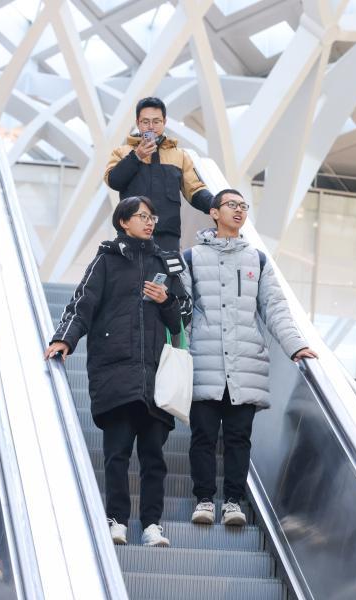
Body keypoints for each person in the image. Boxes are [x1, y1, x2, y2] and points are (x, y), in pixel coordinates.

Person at [44, 196, 191, 548]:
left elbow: (183, 315)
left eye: (152, 216)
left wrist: (165, 301)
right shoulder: (107, 260)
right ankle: (116, 519)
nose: (150, 222)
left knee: (154, 458)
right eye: (143, 216)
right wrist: (64, 339)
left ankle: (153, 524)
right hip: (114, 370)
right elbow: (82, 303)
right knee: (117, 454)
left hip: (156, 374)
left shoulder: (166, 263)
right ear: (123, 221)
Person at [183, 188, 317, 527]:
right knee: (203, 435)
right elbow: (180, 311)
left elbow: (275, 308)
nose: (239, 211)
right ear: (214, 213)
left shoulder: (257, 260)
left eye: (244, 206)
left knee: (239, 437)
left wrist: (295, 346)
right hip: (204, 358)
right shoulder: (191, 257)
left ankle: (233, 501)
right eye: (232, 205)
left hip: (246, 363)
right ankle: (203, 499)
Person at [105, 97, 214, 252]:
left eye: (156, 121)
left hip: (168, 235)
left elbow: (195, 190)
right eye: (145, 122)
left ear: (164, 122)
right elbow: (113, 181)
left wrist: (215, 204)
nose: (151, 127)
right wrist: (136, 156)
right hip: (132, 234)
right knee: (132, 276)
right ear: (138, 123)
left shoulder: (179, 155)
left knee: (165, 275)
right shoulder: (122, 152)